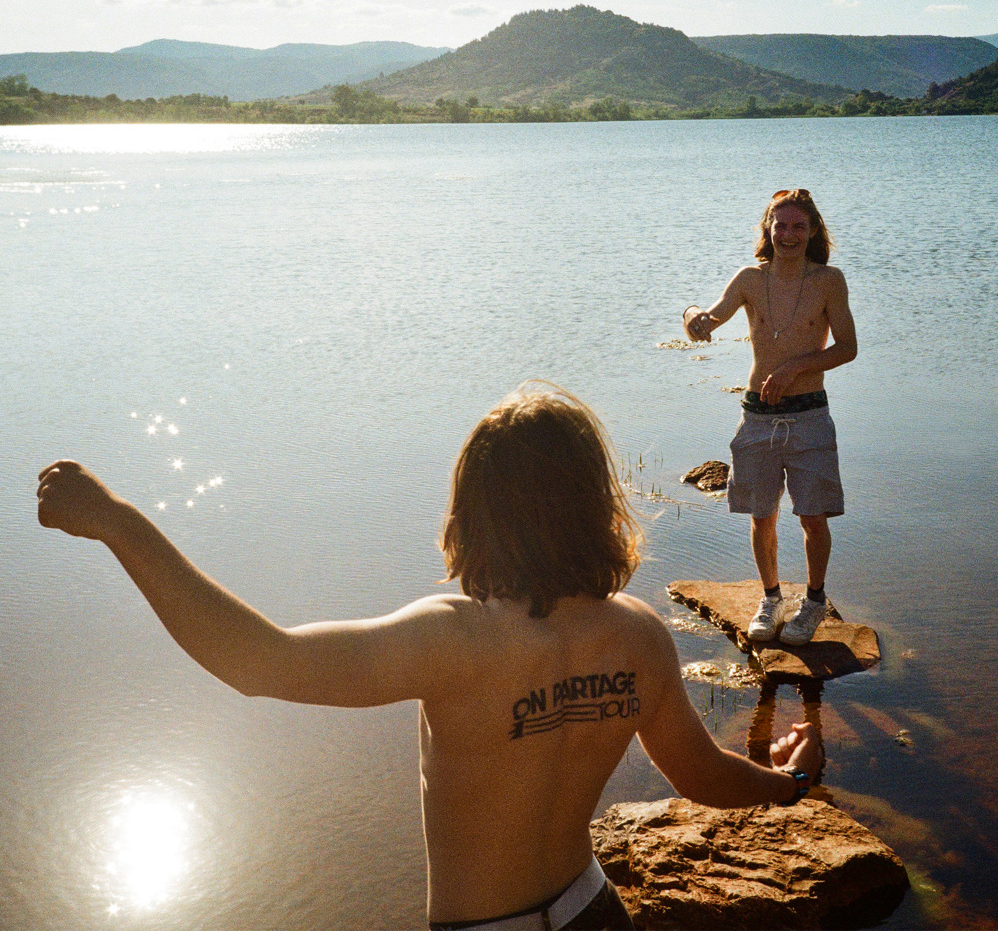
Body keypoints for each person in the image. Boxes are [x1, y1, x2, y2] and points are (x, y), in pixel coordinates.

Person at [37, 384, 822, 931]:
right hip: (592, 910)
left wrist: (118, 523)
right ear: (595, 504)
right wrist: (789, 785)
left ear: (474, 505)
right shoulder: (639, 635)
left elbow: (258, 662)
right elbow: (704, 778)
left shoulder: (452, 640)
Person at [683, 189, 858, 646]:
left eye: (799, 226)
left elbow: (847, 347)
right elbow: (709, 318)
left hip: (810, 416)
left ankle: (814, 602)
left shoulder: (828, 281)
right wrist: (693, 318)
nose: (789, 234)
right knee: (762, 516)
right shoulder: (749, 278)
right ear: (768, 229)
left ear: (813, 230)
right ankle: (771, 598)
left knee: (813, 518)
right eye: (780, 226)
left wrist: (795, 366)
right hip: (758, 418)